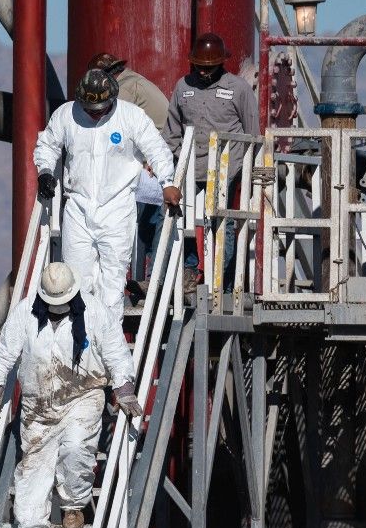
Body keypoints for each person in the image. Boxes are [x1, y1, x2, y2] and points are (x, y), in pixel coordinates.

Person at [0, 262, 140, 528]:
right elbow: (5, 353)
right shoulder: (26, 312)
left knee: (77, 448)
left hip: (83, 395)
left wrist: (124, 388)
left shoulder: (94, 311)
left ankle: (74, 504)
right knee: (33, 470)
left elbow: (116, 352)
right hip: (38, 406)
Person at [34, 68, 176, 319]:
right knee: (77, 277)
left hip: (117, 208)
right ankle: (82, 341)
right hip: (78, 205)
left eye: (100, 108)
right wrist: (45, 170)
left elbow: (157, 150)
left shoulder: (131, 117)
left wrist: (168, 183)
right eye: (90, 108)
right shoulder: (67, 115)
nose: (95, 113)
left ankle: (108, 346)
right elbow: (48, 144)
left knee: (112, 280)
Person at [163, 33, 260, 284]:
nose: (205, 72)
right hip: (189, 168)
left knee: (221, 223)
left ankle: (222, 282)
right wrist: (179, 157)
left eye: (210, 67)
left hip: (225, 169)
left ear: (221, 63)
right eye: (201, 67)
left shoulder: (238, 89)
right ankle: (188, 271)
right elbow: (171, 130)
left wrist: (244, 168)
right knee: (179, 218)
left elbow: (252, 132)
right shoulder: (183, 87)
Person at [89, 52, 171, 286]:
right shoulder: (131, 81)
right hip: (154, 152)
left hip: (155, 156)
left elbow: (112, 126)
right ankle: (148, 276)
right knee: (148, 217)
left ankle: (154, 278)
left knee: (152, 216)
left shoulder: (124, 90)